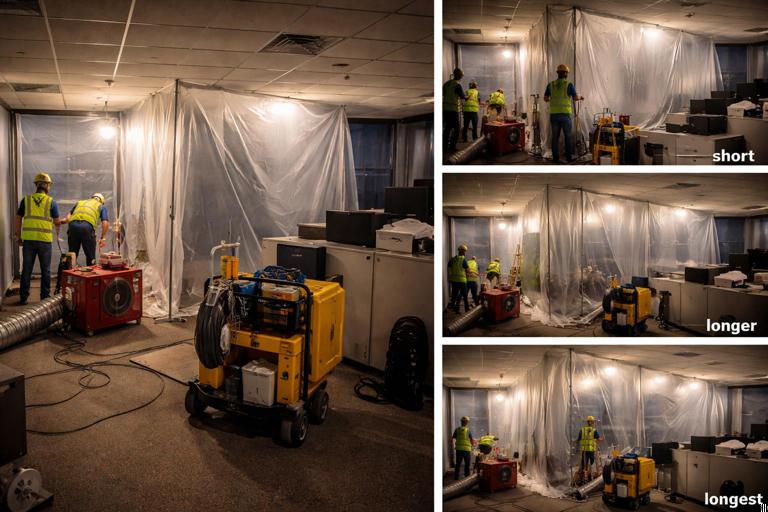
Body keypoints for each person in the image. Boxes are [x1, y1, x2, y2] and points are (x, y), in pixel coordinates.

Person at [14, 173, 65, 305]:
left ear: (36, 185)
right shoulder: (51, 202)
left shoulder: (26, 200)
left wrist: (18, 237)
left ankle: (23, 297)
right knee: (45, 271)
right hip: (45, 241)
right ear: (47, 186)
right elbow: (57, 222)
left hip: (29, 241)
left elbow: (18, 219)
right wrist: (66, 220)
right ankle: (45, 299)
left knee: (26, 270)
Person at [543, 64, 584, 163]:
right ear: (565, 73)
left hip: (554, 116)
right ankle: (569, 158)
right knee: (567, 136)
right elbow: (574, 98)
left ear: (558, 73)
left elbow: (545, 98)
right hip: (565, 115)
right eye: (567, 73)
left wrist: (553, 99)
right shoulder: (568, 84)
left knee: (555, 138)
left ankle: (555, 158)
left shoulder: (551, 84)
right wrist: (580, 97)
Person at [65, 192, 110, 266]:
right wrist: (103, 238)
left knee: (72, 255)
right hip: (87, 227)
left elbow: (68, 216)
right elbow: (105, 222)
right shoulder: (101, 206)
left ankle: (68, 275)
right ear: (101, 201)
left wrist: (63, 221)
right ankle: (91, 275)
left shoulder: (80, 202)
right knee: (90, 256)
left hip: (72, 227)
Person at [443, 68, 467, 153]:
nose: (462, 77)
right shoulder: (457, 85)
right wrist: (467, 97)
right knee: (456, 129)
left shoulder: (446, 84)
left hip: (445, 110)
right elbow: (462, 97)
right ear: (459, 76)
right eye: (462, 76)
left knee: (447, 128)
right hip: (453, 110)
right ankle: (452, 147)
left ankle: (444, 147)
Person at [448, 245, 470, 313]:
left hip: (454, 280)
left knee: (454, 295)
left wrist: (450, 278)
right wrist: (468, 274)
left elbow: (449, 268)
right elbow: (467, 270)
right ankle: (467, 309)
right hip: (462, 281)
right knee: (465, 296)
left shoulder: (452, 259)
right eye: (464, 252)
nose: (465, 253)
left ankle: (455, 309)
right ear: (463, 252)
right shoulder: (463, 260)